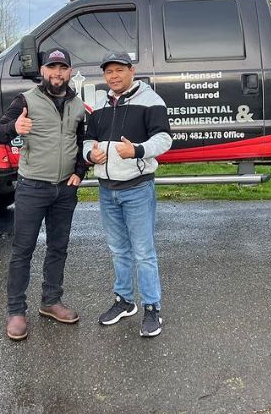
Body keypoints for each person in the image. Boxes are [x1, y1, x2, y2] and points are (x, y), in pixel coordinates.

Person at [0, 47, 87, 341]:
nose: (57, 73)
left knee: (58, 248)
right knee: (23, 250)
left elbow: (83, 141)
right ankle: (16, 312)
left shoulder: (78, 105)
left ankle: (51, 302)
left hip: (64, 190)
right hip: (32, 187)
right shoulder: (26, 100)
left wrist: (80, 172)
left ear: (69, 72)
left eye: (62, 68)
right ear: (43, 71)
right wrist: (15, 126)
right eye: (52, 67)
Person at [83, 51, 172, 337]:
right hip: (107, 190)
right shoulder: (99, 104)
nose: (114, 76)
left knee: (143, 252)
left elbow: (164, 138)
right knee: (118, 250)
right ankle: (124, 301)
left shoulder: (151, 101)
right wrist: (90, 154)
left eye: (119, 70)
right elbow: (88, 140)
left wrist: (137, 150)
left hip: (137, 189)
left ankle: (152, 308)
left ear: (131, 71)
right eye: (109, 72)